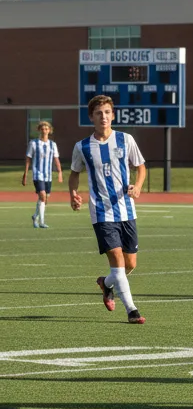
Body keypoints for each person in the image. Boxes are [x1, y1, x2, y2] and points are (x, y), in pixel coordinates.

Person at [68, 95, 147, 324]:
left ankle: (106, 283)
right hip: (101, 212)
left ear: (113, 115)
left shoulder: (125, 139)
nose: (103, 116)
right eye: (98, 113)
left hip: (127, 211)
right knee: (117, 260)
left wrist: (138, 186)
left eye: (107, 112)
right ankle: (132, 310)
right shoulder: (82, 147)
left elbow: (141, 168)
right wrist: (73, 195)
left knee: (130, 264)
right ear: (91, 117)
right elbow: (74, 174)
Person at [23, 120, 62, 229]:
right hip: (37, 174)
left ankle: (35, 216)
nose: (44, 130)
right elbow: (28, 159)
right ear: (39, 130)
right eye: (42, 129)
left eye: (46, 129)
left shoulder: (52, 144)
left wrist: (60, 172)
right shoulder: (33, 143)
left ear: (49, 131)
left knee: (45, 199)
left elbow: (56, 159)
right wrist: (25, 174)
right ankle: (42, 222)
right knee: (43, 196)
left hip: (48, 175)